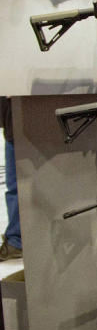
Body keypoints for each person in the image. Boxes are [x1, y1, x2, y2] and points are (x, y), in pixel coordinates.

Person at [0, 97, 21, 262]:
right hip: (14, 123)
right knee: (15, 187)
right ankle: (15, 239)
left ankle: (16, 240)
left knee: (16, 187)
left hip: (18, 123)